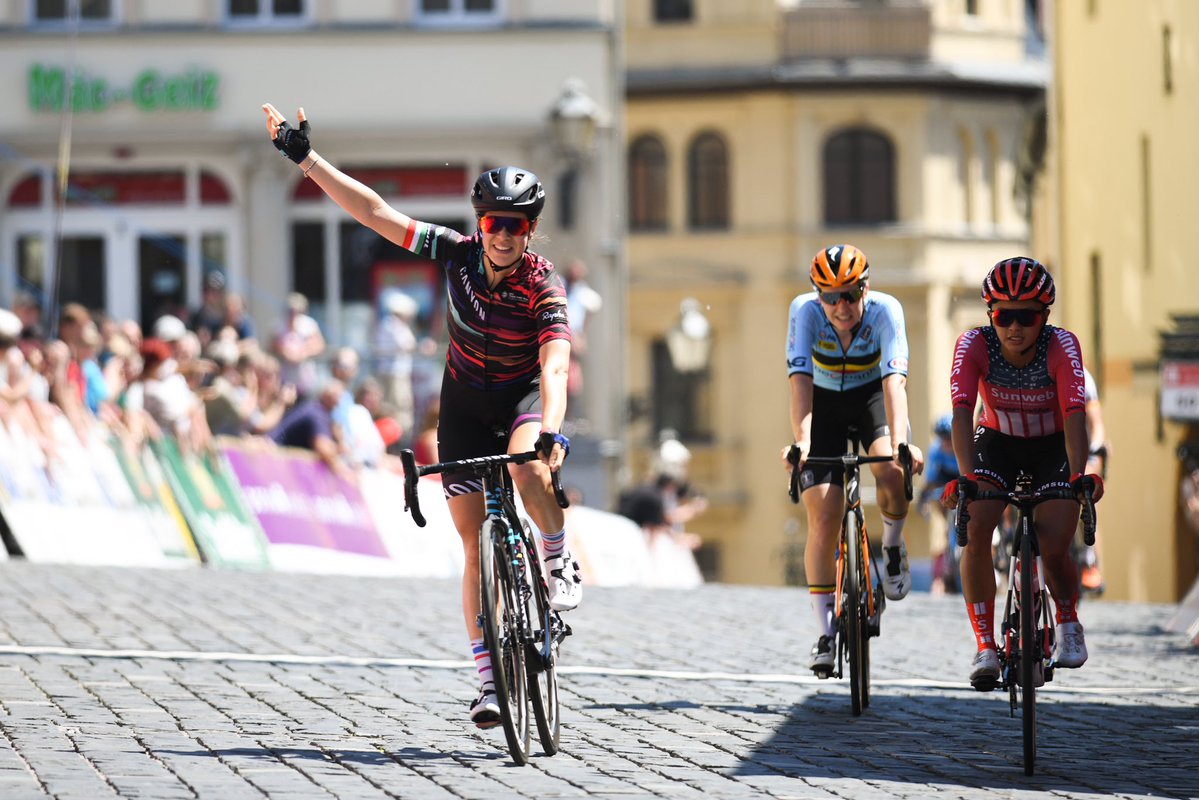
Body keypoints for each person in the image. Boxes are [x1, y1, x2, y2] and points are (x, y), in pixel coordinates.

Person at [263, 103, 580, 728]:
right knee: (471, 546)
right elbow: (376, 213)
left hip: (519, 401)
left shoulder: (545, 285)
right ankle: (489, 685)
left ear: (531, 229)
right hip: (462, 406)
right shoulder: (456, 254)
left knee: (526, 472)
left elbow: (556, 367)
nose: (503, 234)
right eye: (494, 222)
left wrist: (550, 430)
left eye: (516, 225)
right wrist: (305, 158)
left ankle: (556, 552)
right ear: (480, 222)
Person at [940, 257, 1105, 691]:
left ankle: (1068, 621)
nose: (1014, 327)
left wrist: (1078, 477)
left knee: (1053, 543)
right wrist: (965, 476)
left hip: (1054, 446)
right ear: (990, 315)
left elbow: (1075, 416)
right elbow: (960, 415)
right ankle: (985, 645)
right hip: (998, 442)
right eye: (1003, 316)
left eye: (1026, 316)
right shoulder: (973, 344)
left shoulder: (1062, 346)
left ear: (1044, 317)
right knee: (975, 531)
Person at [782, 244, 925, 676]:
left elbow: (894, 384)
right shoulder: (804, 312)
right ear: (817, 295)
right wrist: (803, 444)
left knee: (889, 467)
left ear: (865, 288)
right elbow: (800, 383)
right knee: (823, 515)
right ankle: (825, 632)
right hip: (822, 404)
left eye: (849, 294)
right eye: (829, 296)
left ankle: (894, 544)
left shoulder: (886, 311)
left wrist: (901, 442)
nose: (840, 306)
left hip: (871, 399)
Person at [920, 413, 962, 593]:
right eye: (943, 439)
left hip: (963, 478)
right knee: (944, 512)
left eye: (949, 439)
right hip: (945, 482)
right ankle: (949, 556)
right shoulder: (936, 450)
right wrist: (923, 498)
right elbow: (931, 480)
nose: (946, 443)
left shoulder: (963, 446)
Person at [1078, 366, 1108, 593]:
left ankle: (1090, 561)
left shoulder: (1083, 377)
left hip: (1083, 450)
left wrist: (1095, 451)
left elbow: (1096, 423)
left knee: (1086, 493)